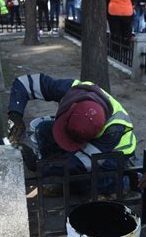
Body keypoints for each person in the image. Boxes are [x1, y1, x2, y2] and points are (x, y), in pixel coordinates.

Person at [7, 74, 136, 191]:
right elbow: (22, 83)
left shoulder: (114, 128)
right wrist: (15, 115)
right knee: (44, 129)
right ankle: (56, 172)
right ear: (71, 107)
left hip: (113, 154)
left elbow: (82, 164)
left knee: (82, 182)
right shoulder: (72, 90)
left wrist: (39, 166)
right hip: (89, 144)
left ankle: (125, 182)